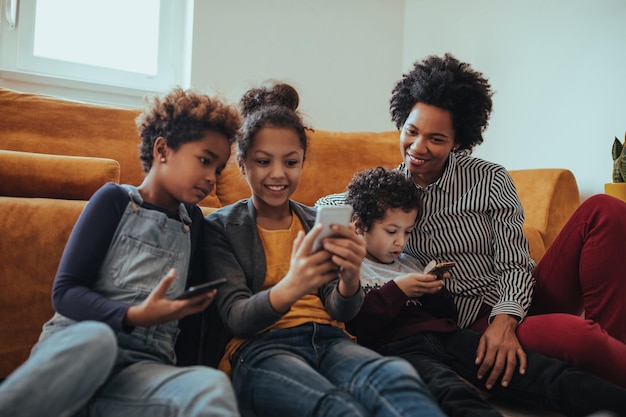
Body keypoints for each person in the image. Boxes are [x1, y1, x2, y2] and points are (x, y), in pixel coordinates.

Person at [317, 53, 626, 390]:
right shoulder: (389, 195)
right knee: (580, 337)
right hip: (465, 325)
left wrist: (504, 320)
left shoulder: (490, 178)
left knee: (603, 209)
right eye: (412, 131)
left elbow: (515, 263)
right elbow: (325, 204)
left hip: (515, 301)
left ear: (458, 141)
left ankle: (614, 356)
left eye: (436, 139)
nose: (417, 147)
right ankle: (608, 361)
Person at [203, 81, 446, 417]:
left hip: (332, 339)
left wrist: (349, 280)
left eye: (291, 162)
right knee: (336, 407)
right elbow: (237, 318)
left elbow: (341, 310)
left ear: (303, 161)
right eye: (263, 162)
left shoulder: (316, 219)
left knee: (397, 377)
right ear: (242, 163)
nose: (278, 174)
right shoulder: (219, 227)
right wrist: (294, 285)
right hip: (262, 348)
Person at [0, 88, 242, 417]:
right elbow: (65, 293)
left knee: (209, 385)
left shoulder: (195, 223)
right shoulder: (114, 200)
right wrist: (133, 317)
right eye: (204, 160)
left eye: (219, 169)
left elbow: (190, 324)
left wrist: (182, 374)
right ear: (163, 149)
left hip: (139, 373)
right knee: (97, 339)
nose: (211, 178)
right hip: (78, 354)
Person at [345, 166, 626, 417]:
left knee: (541, 371)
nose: (400, 242)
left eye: (407, 232)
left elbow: (446, 317)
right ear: (359, 225)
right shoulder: (352, 266)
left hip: (449, 336)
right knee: (451, 392)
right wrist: (400, 289)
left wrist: (434, 290)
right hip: (401, 349)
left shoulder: (410, 262)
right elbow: (359, 323)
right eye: (392, 231)